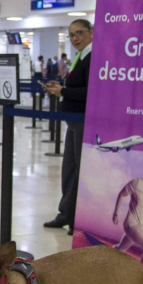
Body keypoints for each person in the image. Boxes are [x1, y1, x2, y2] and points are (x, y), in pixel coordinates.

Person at [43, 19, 93, 232]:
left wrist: (62, 92)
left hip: (83, 120)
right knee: (70, 170)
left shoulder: (93, 57)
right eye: (71, 35)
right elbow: (78, 85)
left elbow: (90, 91)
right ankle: (66, 214)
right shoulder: (81, 56)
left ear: (91, 32)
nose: (75, 39)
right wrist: (62, 87)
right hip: (73, 121)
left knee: (81, 171)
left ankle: (79, 220)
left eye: (79, 33)